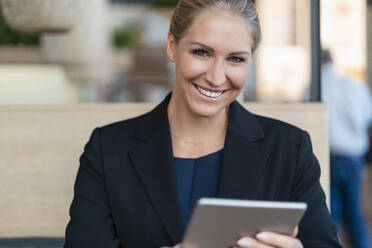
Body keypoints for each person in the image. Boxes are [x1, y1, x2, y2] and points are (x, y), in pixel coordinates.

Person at [64, 1, 341, 247]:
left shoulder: (289, 149)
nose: (217, 77)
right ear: (172, 46)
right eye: (201, 53)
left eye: (235, 59)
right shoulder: (108, 150)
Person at [321, 49, 372, 248]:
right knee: (355, 215)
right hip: (353, 157)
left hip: (329, 157)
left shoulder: (315, 85)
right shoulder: (353, 84)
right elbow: (368, 117)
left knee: (331, 215)